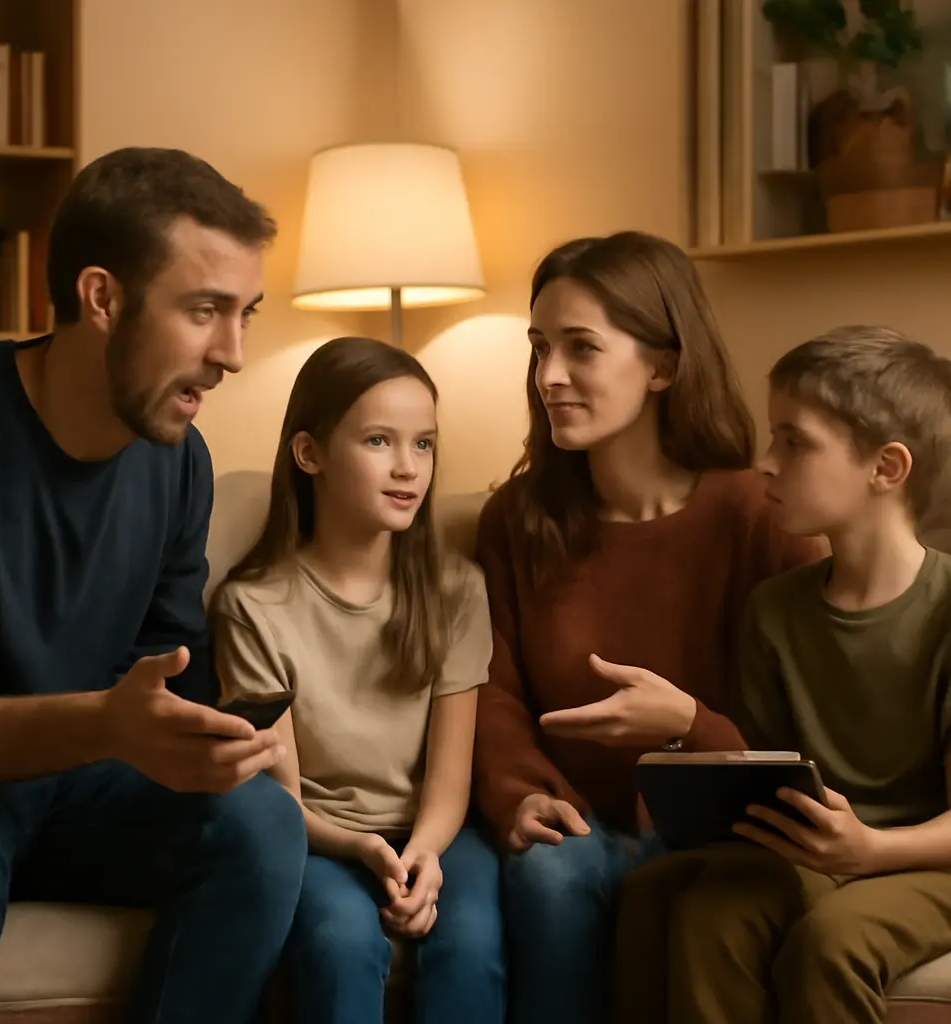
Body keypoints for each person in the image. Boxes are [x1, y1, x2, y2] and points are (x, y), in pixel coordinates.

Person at [0, 147, 307, 1024]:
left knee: (260, 826)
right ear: (101, 297)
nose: (235, 354)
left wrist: (214, 738)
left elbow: (165, 662)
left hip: (84, 782)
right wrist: (106, 722)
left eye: (245, 313)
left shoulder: (180, 464)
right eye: (205, 310)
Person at [470, 231, 822, 1023]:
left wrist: (689, 725)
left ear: (663, 367)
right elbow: (490, 689)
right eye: (540, 348)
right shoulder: (516, 520)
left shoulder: (761, 515)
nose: (548, 376)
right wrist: (520, 797)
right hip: (569, 824)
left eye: (581, 349)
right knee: (548, 872)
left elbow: (806, 729)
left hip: (721, 831)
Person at [612, 325, 951, 1024]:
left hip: (926, 860)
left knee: (832, 942)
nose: (764, 463)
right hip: (813, 853)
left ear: (886, 468)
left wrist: (871, 849)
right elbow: (763, 767)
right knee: (696, 907)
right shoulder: (776, 610)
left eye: (793, 442)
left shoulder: (945, 610)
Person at [211, 336, 506, 1024]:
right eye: (379, 441)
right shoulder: (252, 607)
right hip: (320, 837)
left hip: (437, 832)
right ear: (310, 453)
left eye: (424, 444)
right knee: (341, 944)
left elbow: (450, 779)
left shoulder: (458, 590)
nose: (408, 468)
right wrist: (362, 848)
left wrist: (425, 853)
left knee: (470, 947)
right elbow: (279, 800)